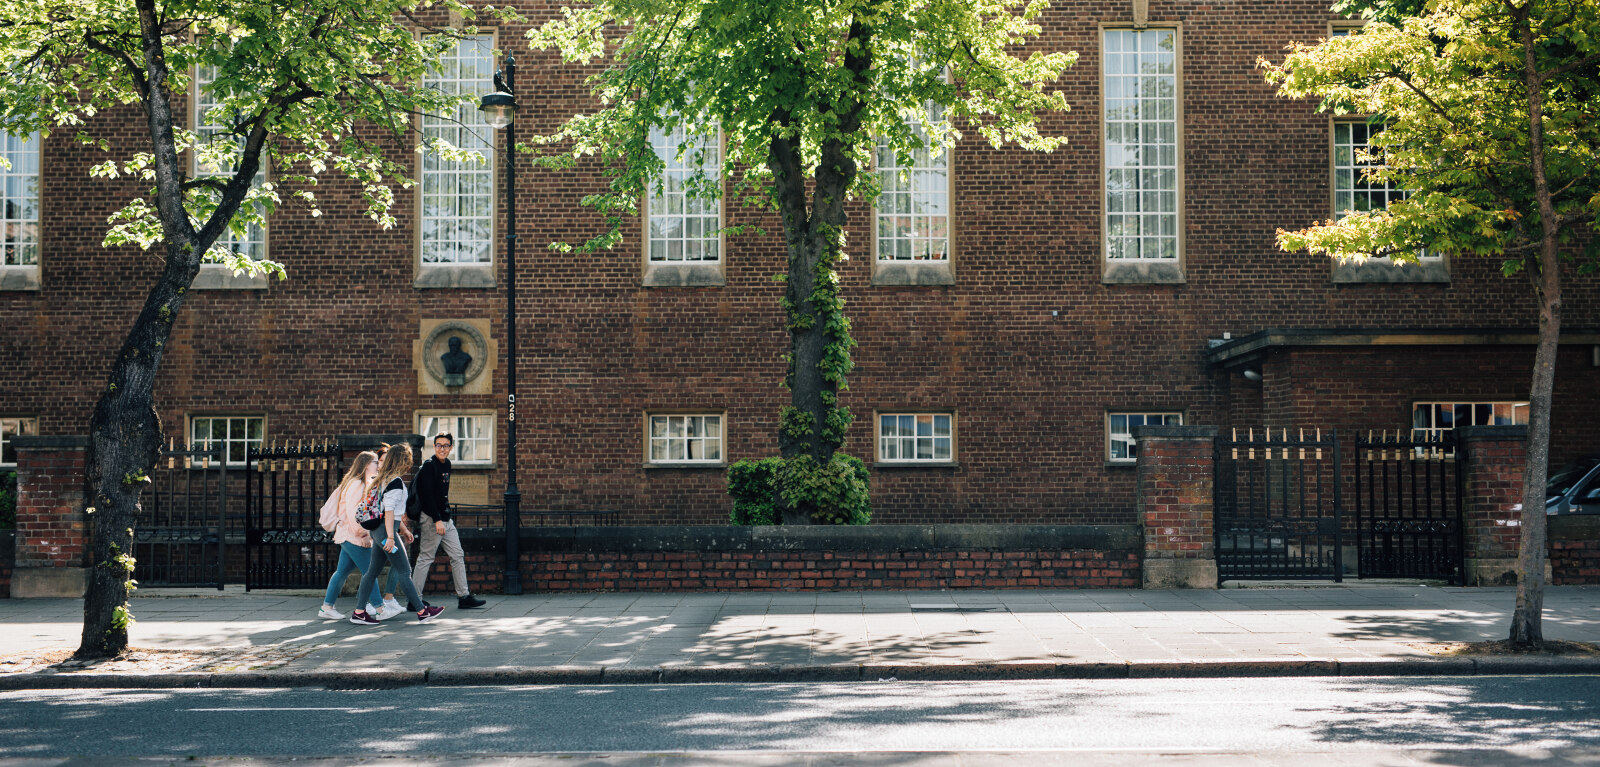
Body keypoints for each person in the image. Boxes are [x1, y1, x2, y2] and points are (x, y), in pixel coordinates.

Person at [350, 443, 445, 625]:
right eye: (408, 459)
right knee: (404, 570)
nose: (410, 462)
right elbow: (389, 512)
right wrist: (392, 537)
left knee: (372, 571)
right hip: (386, 533)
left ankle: (359, 612)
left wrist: (404, 530)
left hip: (379, 531)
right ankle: (422, 611)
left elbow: (389, 511)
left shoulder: (381, 479)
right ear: (402, 460)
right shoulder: (395, 482)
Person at [315, 451, 408, 621]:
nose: (378, 465)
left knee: (342, 572)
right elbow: (353, 515)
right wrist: (364, 535)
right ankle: (380, 608)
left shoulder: (358, 483)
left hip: (348, 535)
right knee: (369, 571)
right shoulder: (356, 484)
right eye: (375, 462)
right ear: (366, 465)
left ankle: (327, 607)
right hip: (353, 536)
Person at [411, 433, 486, 609]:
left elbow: (441, 494)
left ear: (451, 447)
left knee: (457, 555)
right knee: (426, 557)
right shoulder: (429, 466)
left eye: (445, 446)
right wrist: (437, 520)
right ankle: (414, 600)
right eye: (438, 445)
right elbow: (427, 496)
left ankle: (464, 597)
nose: (442, 449)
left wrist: (444, 517)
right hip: (432, 518)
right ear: (434, 446)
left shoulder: (447, 464)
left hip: (445, 518)